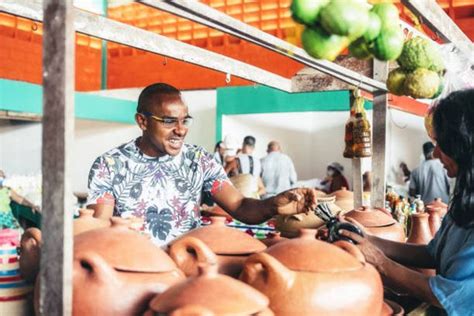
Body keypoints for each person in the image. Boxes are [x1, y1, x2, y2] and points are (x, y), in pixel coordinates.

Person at [87, 83, 316, 246]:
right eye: (168, 121)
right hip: (134, 271)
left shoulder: (199, 161)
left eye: (184, 120)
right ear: (142, 121)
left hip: (189, 268)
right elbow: (99, 230)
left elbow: (240, 206)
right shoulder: (109, 166)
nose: (181, 129)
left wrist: (273, 205)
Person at [340, 89, 474, 315]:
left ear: (464, 145)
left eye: (442, 144)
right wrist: (368, 239)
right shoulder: (465, 198)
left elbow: (449, 294)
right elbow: (432, 254)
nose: (434, 154)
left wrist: (380, 262)